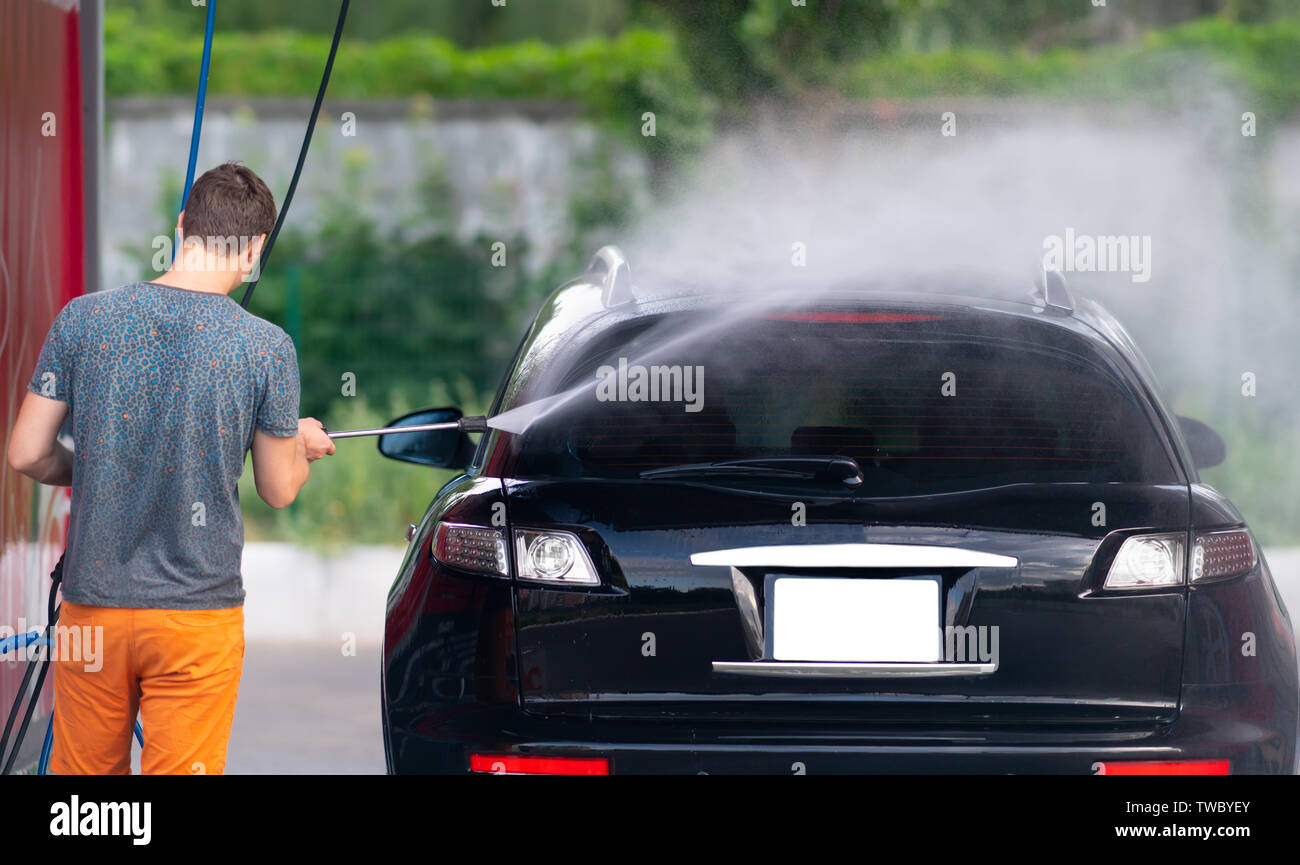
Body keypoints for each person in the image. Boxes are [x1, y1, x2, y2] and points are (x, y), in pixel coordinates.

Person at [6, 160, 334, 774]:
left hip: (93, 610)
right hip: (195, 618)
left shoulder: (83, 318)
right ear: (256, 247)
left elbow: (26, 452)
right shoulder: (266, 347)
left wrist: (103, 463)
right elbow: (278, 488)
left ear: (182, 225)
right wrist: (300, 446)